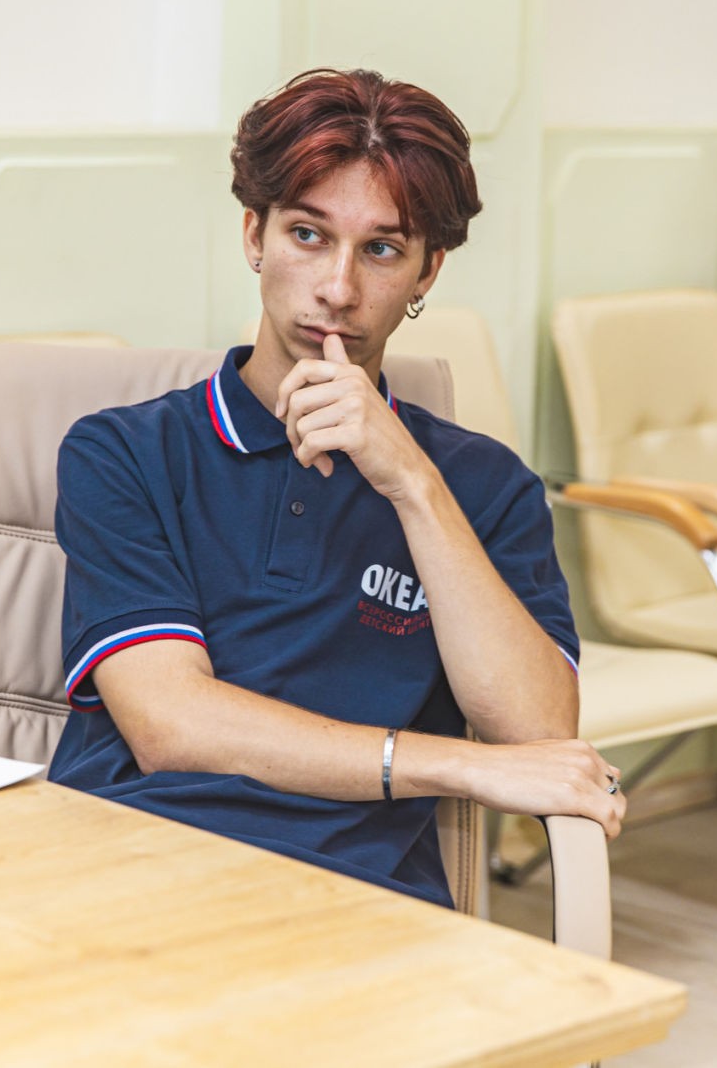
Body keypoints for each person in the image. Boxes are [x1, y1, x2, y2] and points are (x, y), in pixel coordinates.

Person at [46, 68, 626, 906]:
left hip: (360, 901)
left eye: (382, 250)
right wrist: (457, 766)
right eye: (308, 235)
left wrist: (413, 484)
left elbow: (536, 731)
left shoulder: (485, 486)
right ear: (255, 235)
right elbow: (171, 723)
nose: (338, 289)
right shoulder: (124, 453)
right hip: (131, 868)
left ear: (426, 274)